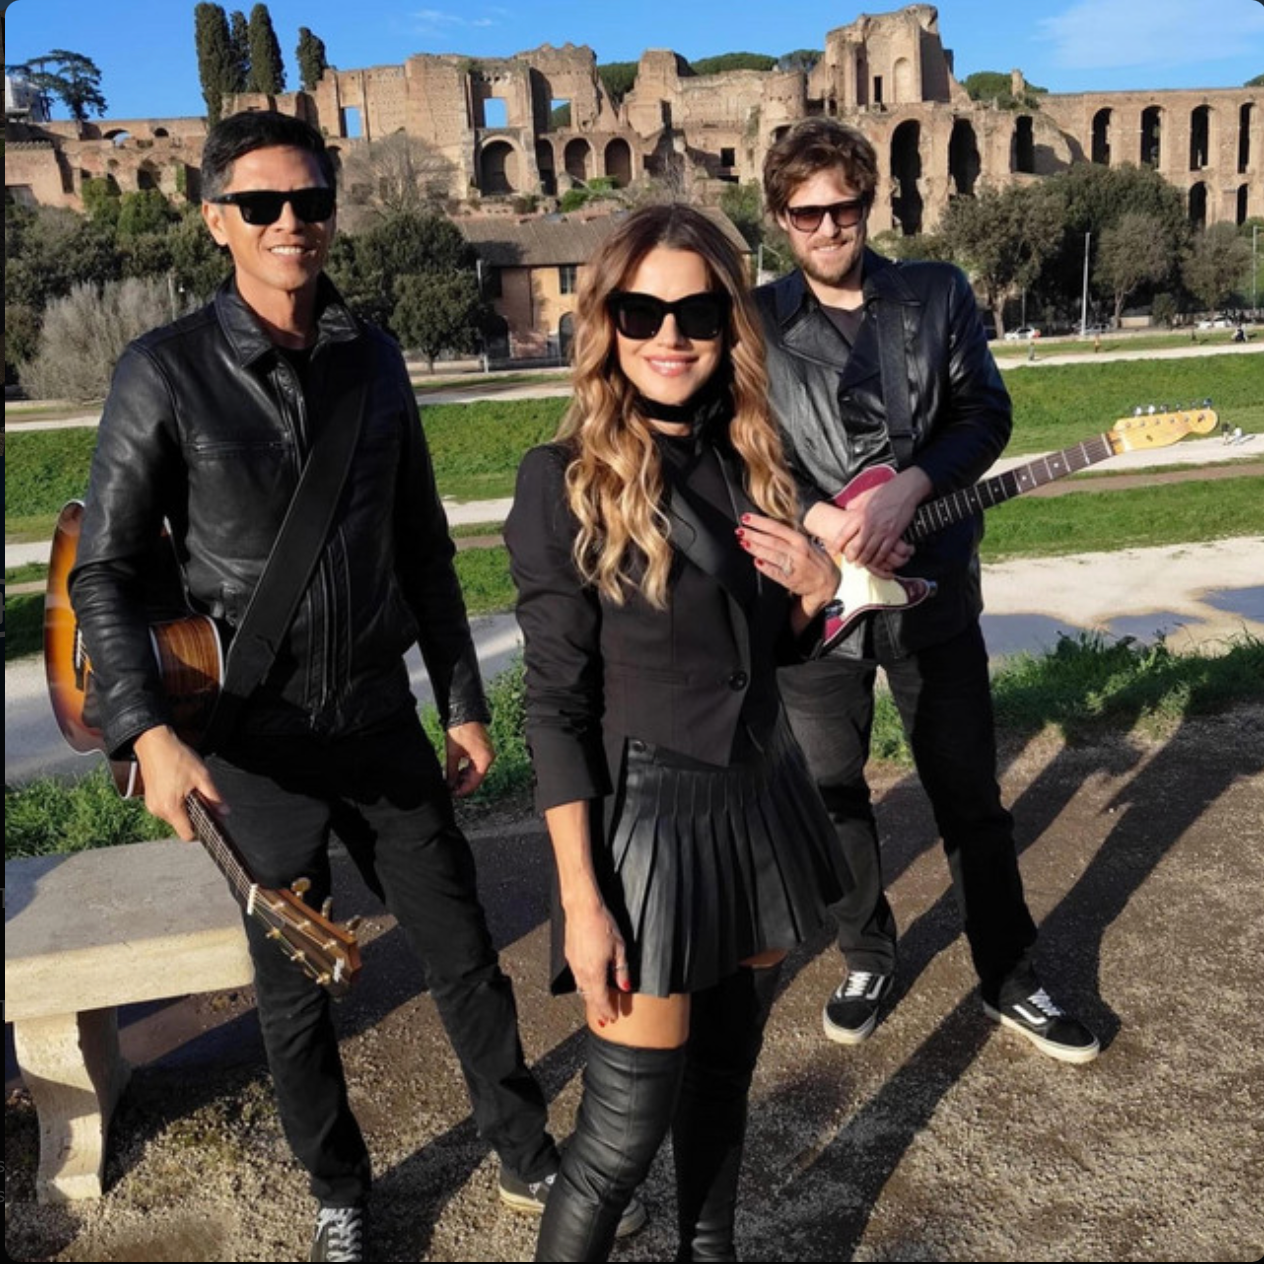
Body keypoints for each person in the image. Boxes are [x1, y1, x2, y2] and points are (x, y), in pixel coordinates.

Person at [67, 109, 643, 1262]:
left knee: (461, 950)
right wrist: (145, 731)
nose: (294, 225)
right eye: (265, 205)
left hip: (378, 718)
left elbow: (423, 547)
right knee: (293, 995)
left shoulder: (373, 359)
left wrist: (462, 699)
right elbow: (107, 573)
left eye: (312, 202)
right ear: (216, 219)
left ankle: (523, 1149)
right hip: (249, 741)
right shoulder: (163, 370)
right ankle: (339, 1186)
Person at [505, 204, 851, 1262]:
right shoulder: (558, 479)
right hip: (647, 829)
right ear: (607, 321)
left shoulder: (754, 454)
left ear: (727, 320)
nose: (669, 333)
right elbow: (555, 711)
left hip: (753, 802)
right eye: (642, 308)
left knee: (721, 1092)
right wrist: (581, 904)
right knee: (616, 1141)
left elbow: (764, 660)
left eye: (695, 308)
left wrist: (816, 591)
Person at [754, 119, 1100, 1065]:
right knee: (834, 795)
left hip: (935, 588)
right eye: (808, 212)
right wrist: (822, 521)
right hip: (816, 606)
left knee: (969, 796)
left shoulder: (937, 294)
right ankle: (868, 952)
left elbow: (986, 411)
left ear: (872, 202)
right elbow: (737, 456)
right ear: (781, 219)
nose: (830, 227)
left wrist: (915, 484)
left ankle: (1010, 972)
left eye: (846, 207)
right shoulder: (756, 322)